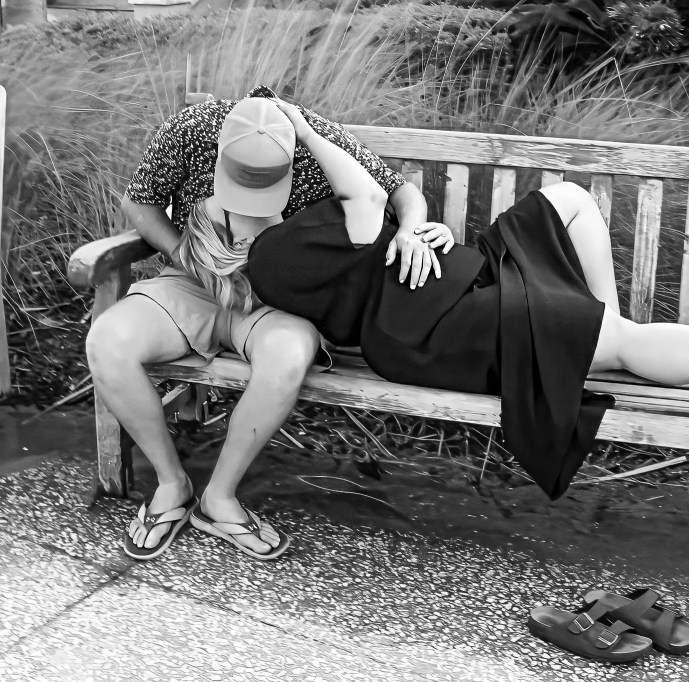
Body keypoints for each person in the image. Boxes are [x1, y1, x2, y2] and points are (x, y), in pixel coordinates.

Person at [181, 98, 689, 510]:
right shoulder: (273, 258)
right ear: (225, 231)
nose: (215, 194)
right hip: (435, 328)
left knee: (568, 201)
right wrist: (303, 130)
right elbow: (367, 197)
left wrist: (418, 230)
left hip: (457, 279)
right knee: (619, 343)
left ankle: (598, 335)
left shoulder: (284, 235)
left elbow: (385, 218)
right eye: (215, 200)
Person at [86, 88, 445, 561]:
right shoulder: (191, 129)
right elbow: (141, 204)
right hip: (193, 280)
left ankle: (219, 498)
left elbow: (398, 191)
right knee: (107, 341)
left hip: (273, 298)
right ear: (219, 151)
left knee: (288, 355)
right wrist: (188, 258)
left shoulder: (314, 137)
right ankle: (172, 485)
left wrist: (411, 229)